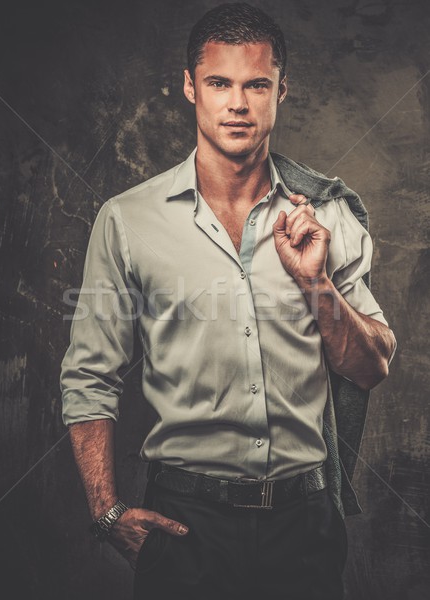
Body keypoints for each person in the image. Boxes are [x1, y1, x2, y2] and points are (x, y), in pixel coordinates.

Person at [60, 3, 397, 599]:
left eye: (255, 84)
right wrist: (107, 512)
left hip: (305, 523)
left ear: (280, 90)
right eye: (219, 82)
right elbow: (90, 376)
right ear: (191, 87)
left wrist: (315, 283)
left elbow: (371, 366)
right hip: (186, 524)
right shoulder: (127, 220)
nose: (237, 103)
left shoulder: (325, 215)